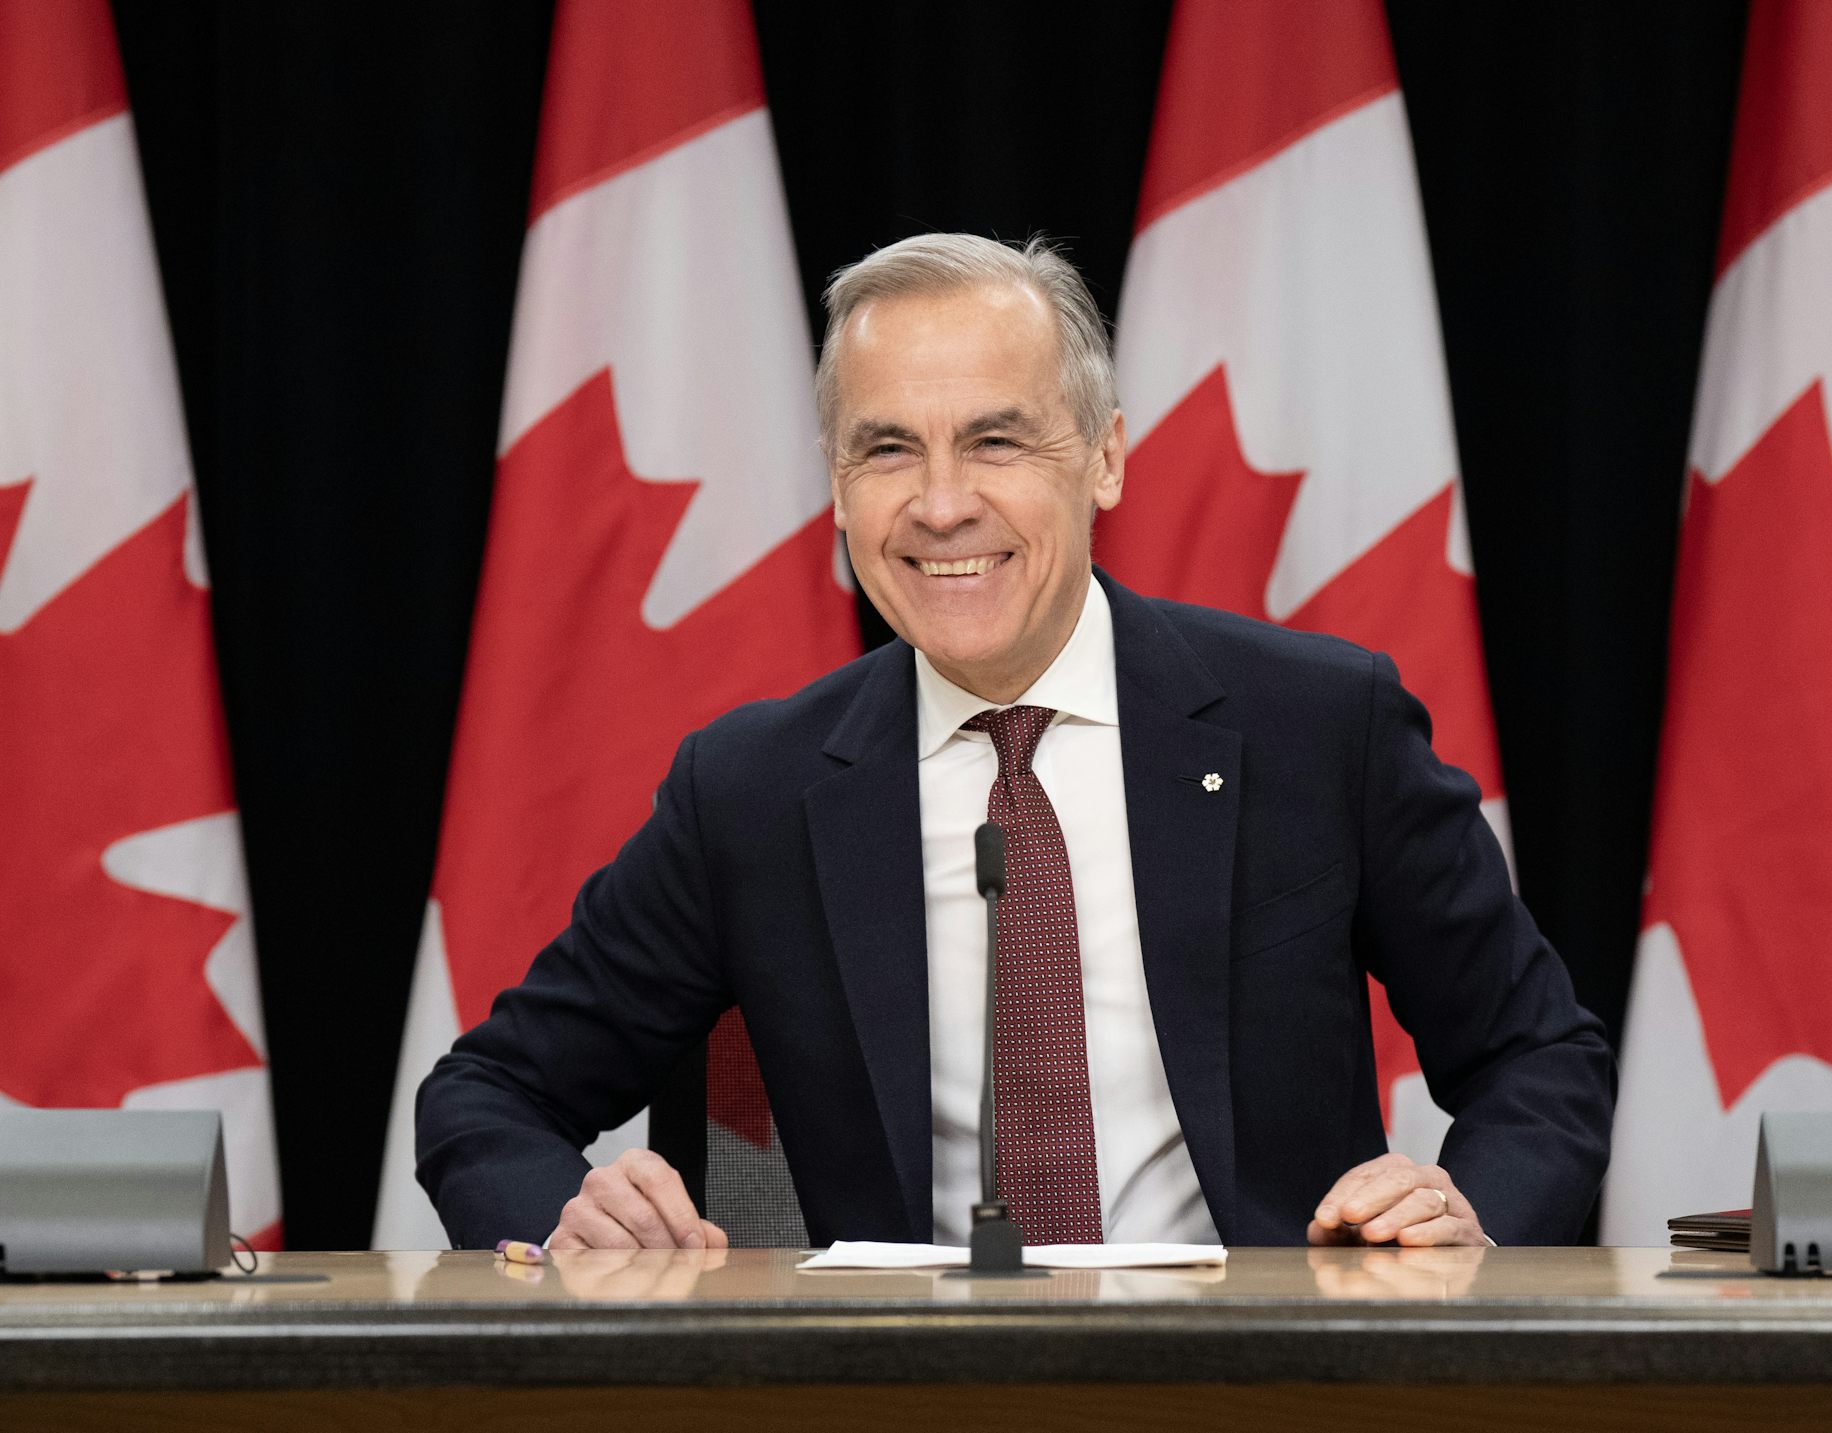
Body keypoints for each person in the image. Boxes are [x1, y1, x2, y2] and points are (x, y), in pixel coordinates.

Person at [416, 234, 1612, 1253]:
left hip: (1264, 1387)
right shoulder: (752, 792)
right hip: (907, 1399)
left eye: (996, 441)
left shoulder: (1318, 725)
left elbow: (1538, 1055)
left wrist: (1467, 1224)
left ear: (1103, 457)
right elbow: (485, 1094)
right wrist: (574, 1215)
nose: (941, 504)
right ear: (835, 488)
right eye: (888, 449)